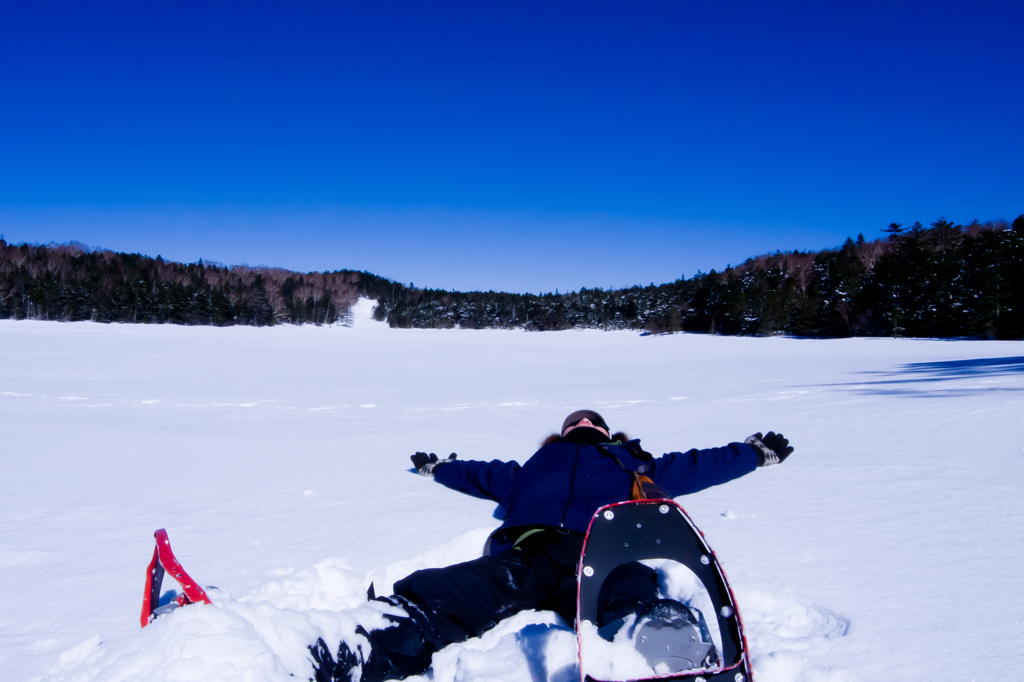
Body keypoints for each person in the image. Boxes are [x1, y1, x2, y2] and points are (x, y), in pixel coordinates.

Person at [310, 410, 793, 682]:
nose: (584, 425)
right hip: (525, 553)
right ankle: (351, 648)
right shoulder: (533, 468)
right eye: (577, 422)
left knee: (639, 607)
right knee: (441, 594)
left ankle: (671, 656)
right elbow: (480, 474)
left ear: (605, 433)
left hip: (603, 556)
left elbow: (695, 466)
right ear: (562, 434)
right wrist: (439, 468)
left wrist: (751, 454)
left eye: (591, 422)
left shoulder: (632, 464)